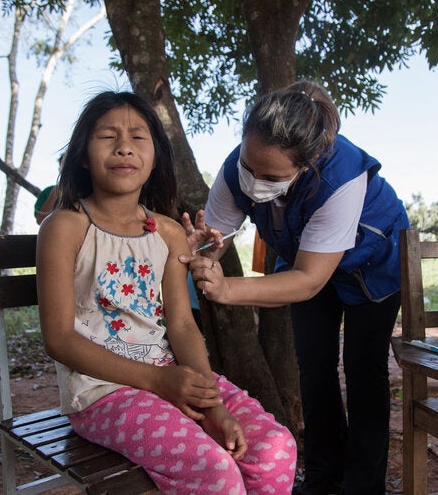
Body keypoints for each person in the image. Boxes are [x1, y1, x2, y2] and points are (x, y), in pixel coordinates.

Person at [36, 90, 296, 494]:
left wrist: (212, 406)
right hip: (103, 392)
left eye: (138, 137)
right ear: (84, 155)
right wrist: (158, 383)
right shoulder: (64, 227)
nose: (124, 146)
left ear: (155, 154)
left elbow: (181, 325)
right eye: (108, 136)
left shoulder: (169, 233)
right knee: (215, 471)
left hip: (176, 378)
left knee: (273, 451)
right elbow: (60, 339)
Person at [180, 81, 410, 495]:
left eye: (271, 176)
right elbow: (218, 235)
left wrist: (228, 290)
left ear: (309, 163)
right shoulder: (240, 167)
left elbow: (309, 280)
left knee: (363, 371)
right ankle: (323, 479)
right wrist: (206, 251)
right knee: (315, 368)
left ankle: (362, 486)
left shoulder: (341, 176)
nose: (254, 181)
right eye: (250, 167)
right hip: (305, 256)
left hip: (372, 264)